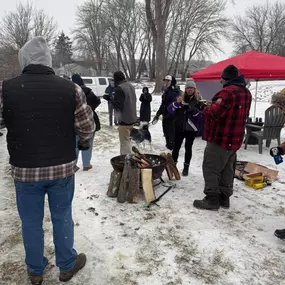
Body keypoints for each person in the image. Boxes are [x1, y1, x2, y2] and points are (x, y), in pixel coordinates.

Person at [0, 37, 95, 285]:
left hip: (25, 169)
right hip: (61, 169)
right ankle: (66, 265)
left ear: (23, 60)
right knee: (62, 215)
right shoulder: (69, 88)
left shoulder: (6, 89)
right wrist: (83, 142)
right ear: (48, 61)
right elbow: (87, 126)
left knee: (30, 220)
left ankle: (35, 270)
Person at [193, 65, 252, 210]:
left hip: (220, 139)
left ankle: (212, 199)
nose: (221, 81)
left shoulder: (227, 93)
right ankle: (224, 198)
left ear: (226, 79)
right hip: (235, 140)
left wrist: (203, 107)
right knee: (227, 169)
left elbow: (214, 114)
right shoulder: (246, 93)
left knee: (211, 167)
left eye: (221, 79)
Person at [167, 79, 202, 176]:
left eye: (191, 88)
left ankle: (186, 168)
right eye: (188, 88)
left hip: (191, 129)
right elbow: (170, 110)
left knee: (188, 148)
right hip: (179, 127)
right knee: (176, 148)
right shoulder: (181, 98)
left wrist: (193, 110)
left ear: (194, 89)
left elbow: (201, 116)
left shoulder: (198, 100)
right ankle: (173, 168)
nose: (189, 90)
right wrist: (176, 104)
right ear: (185, 89)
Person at [72, 74, 101, 171]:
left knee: (74, 145)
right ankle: (86, 164)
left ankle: (73, 165)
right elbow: (97, 101)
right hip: (88, 120)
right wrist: (89, 108)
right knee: (88, 143)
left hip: (74, 121)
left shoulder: (70, 91)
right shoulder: (87, 90)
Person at [103, 71, 137, 155]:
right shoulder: (130, 86)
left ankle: (126, 161)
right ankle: (130, 157)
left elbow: (119, 106)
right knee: (128, 140)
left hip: (124, 119)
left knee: (124, 143)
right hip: (132, 117)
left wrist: (109, 99)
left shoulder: (119, 88)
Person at [153, 75, 180, 150]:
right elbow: (163, 104)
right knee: (166, 133)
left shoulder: (175, 93)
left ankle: (173, 148)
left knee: (171, 133)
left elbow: (176, 106)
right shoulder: (166, 92)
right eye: (165, 81)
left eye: (168, 81)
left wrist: (171, 115)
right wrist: (158, 113)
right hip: (165, 116)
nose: (166, 82)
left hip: (172, 118)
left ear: (172, 82)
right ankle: (168, 146)